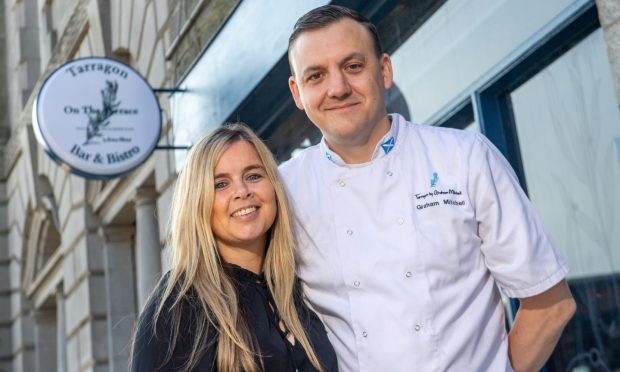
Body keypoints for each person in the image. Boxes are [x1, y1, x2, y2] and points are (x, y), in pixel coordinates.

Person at [281, 5, 576, 372]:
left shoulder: (463, 157)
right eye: (316, 76)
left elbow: (550, 303)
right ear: (297, 92)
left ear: (384, 70)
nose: (338, 88)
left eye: (353, 66)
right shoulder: (283, 191)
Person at [130, 123, 338, 371]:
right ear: (198, 203)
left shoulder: (297, 292)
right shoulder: (179, 305)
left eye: (253, 176)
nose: (242, 191)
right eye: (220, 184)